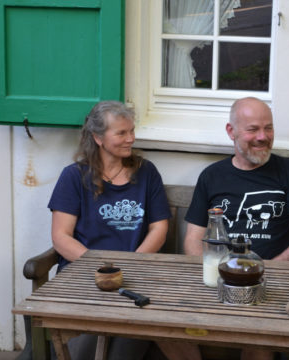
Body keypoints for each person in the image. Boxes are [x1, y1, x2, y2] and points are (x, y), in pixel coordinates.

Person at [158, 97, 289, 360]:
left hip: (271, 280)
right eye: (253, 129)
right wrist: (215, 279)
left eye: (269, 128)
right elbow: (193, 240)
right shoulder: (212, 176)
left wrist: (266, 270)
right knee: (161, 324)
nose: (263, 137)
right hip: (218, 279)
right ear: (231, 132)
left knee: (259, 334)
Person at [48, 100, 171, 359]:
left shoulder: (146, 172)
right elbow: (60, 237)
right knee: (85, 350)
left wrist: (131, 264)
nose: (131, 139)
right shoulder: (74, 177)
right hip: (85, 276)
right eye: (122, 133)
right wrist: (102, 269)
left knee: (127, 341)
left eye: (132, 131)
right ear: (98, 137)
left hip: (134, 276)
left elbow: (159, 227)